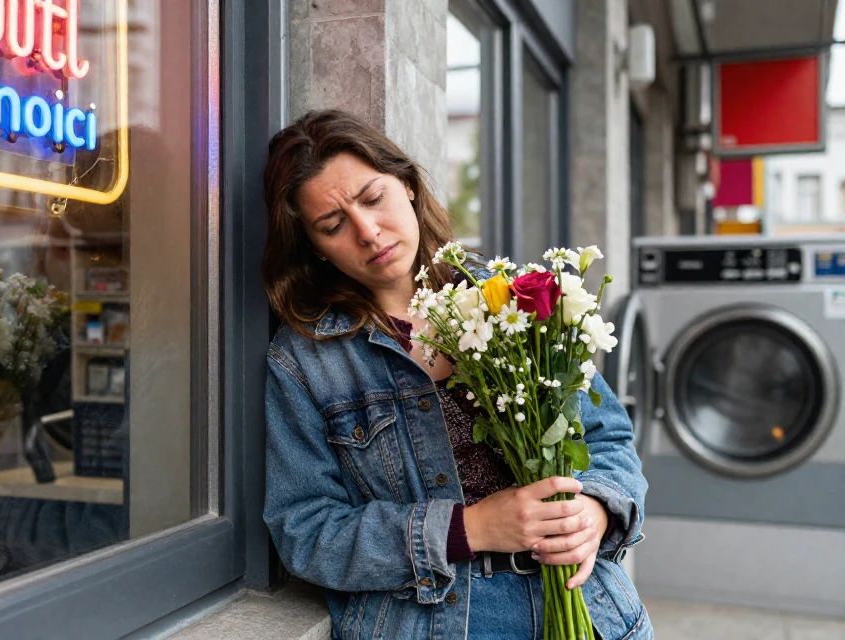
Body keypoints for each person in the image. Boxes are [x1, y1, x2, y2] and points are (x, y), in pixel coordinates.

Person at [261, 110, 650, 640]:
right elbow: (305, 531)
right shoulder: (307, 359)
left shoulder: (507, 295)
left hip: (593, 613)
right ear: (313, 246)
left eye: (374, 199)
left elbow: (606, 434)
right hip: (433, 623)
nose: (368, 232)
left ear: (407, 185)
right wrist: (470, 529)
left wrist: (596, 511)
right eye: (333, 225)